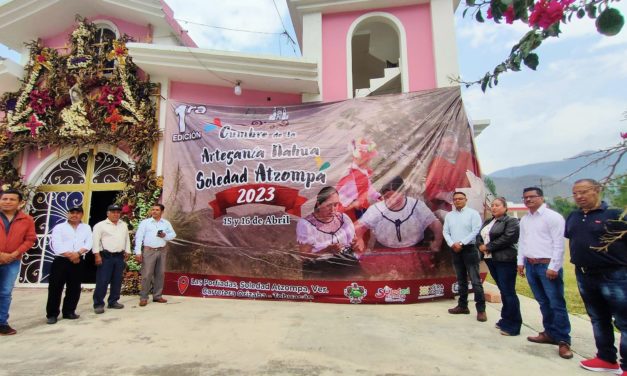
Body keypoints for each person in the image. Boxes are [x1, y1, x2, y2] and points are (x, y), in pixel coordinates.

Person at [565, 179, 627, 374]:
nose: (579, 196)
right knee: (598, 318)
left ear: (598, 191)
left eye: (584, 192)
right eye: (575, 193)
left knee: (624, 321)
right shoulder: (573, 216)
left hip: (613, 274)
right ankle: (606, 358)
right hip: (584, 274)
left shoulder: (615, 215)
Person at [518, 187, 572, 359]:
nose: (528, 200)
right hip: (531, 264)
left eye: (532, 197)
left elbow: (559, 244)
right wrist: (521, 262)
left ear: (541, 197)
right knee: (543, 302)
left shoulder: (553, 217)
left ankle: (563, 340)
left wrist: (554, 267)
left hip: (547, 265)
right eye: (525, 197)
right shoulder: (526, 219)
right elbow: (522, 242)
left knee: (556, 303)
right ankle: (550, 333)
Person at [355, 176, 443, 278]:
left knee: (415, 279)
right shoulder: (376, 209)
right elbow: (359, 226)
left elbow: (435, 224)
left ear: (403, 192)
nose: (392, 201)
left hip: (414, 250)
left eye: (395, 196)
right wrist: (360, 239)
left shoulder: (416, 205)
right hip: (384, 251)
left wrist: (437, 242)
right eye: (387, 197)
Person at [476, 197, 522, 336]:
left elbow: (508, 238)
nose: (494, 207)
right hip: (491, 259)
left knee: (508, 291)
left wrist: (488, 246)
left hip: (505, 260)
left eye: (497, 205)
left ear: (505, 207)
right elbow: (479, 236)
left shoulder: (511, 221)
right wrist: (480, 246)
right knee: (503, 290)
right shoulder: (489, 221)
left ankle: (514, 324)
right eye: (492, 205)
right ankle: (505, 319)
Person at [296, 187, 359, 278]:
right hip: (320, 270)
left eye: (335, 205)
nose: (333, 209)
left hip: (346, 265)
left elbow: (354, 241)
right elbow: (304, 258)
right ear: (319, 204)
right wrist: (326, 250)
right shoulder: (306, 225)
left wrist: (355, 244)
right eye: (328, 205)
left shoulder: (344, 219)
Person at [443, 191, 485, 321]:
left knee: (475, 280)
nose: (457, 201)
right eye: (455, 199)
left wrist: (462, 242)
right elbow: (445, 231)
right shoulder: (449, 215)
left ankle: (481, 310)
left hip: (469, 249)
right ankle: (462, 306)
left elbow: (476, 230)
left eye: (460, 198)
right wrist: (452, 244)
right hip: (455, 249)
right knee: (461, 280)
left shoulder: (473, 214)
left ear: (466, 200)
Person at [45, 205, 92, 324]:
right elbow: (56, 244)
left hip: (78, 260)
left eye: (77, 213)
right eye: (72, 212)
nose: (74, 215)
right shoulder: (59, 227)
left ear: (82, 215)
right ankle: (52, 314)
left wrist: (78, 253)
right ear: (68, 214)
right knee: (55, 287)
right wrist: (71, 255)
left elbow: (89, 243)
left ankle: (69, 311)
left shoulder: (86, 228)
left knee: (74, 287)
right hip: (61, 260)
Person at [0, 189, 36, 336]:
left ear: (20, 203)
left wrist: (14, 254)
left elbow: (30, 239)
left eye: (12, 199)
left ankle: (2, 323)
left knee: (5, 292)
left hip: (12, 261)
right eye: (4, 199)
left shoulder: (27, 220)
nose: (7, 202)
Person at [134, 203, 176, 307]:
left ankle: (157, 296)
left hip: (161, 250)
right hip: (149, 250)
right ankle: (144, 297)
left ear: (162, 212)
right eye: (153, 210)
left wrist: (165, 235)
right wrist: (138, 252)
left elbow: (173, 235)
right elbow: (139, 237)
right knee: (147, 274)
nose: (154, 211)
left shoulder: (166, 223)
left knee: (160, 274)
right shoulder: (145, 223)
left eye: (157, 210)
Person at [92, 204, 131, 314]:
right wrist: (97, 255)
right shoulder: (100, 225)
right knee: (103, 280)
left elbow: (126, 238)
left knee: (117, 280)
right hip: (106, 256)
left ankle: (113, 301)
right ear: (108, 213)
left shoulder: (123, 225)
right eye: (113, 212)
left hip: (119, 256)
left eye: (118, 212)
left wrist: (127, 250)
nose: (116, 214)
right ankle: (98, 303)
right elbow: (95, 241)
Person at [336, 138, 380, 222]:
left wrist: (377, 196)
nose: (368, 161)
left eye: (369, 159)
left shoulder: (363, 172)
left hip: (361, 206)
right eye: (366, 159)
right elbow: (340, 192)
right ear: (355, 158)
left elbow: (368, 187)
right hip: (349, 211)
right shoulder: (350, 174)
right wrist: (351, 204)